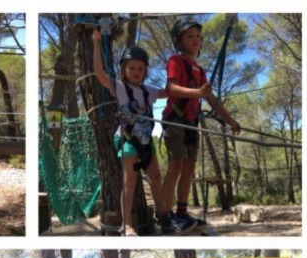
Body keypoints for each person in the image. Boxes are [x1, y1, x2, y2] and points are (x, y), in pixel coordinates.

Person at [160, 18, 241, 234]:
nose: (195, 40)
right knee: (175, 167)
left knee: (188, 168)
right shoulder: (176, 61)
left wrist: (230, 120)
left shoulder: (200, 70)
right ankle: (165, 217)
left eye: (198, 36)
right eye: (189, 36)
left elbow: (212, 100)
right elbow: (172, 88)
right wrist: (197, 93)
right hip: (175, 121)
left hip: (190, 124)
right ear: (179, 41)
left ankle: (182, 212)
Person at [92, 31, 169, 236]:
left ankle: (163, 216)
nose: (136, 71)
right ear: (124, 69)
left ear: (145, 71)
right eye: (132, 67)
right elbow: (99, 73)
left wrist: (177, 74)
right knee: (130, 181)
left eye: (140, 68)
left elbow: (169, 91)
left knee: (156, 176)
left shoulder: (149, 91)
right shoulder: (119, 87)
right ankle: (127, 225)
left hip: (145, 141)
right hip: (128, 139)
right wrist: (96, 45)